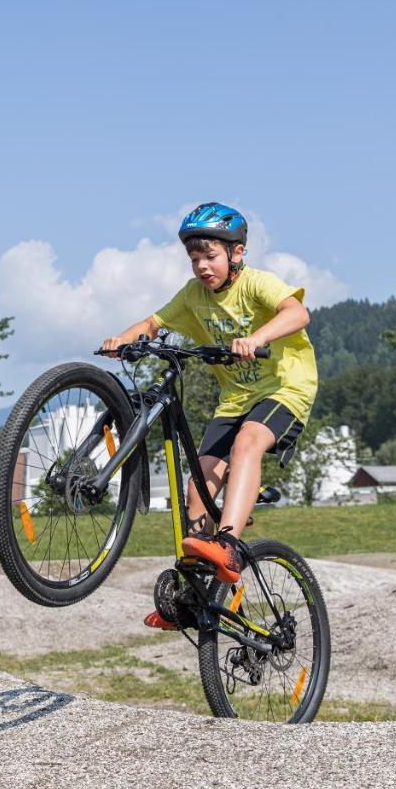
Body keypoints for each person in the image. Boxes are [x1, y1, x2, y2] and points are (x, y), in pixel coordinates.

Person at [100, 202, 317, 627]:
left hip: (285, 388)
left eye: (210, 256)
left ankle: (231, 545)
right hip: (235, 399)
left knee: (247, 444)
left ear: (236, 254)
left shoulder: (256, 283)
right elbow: (155, 321)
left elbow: (298, 312)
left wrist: (255, 338)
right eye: (194, 258)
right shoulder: (193, 296)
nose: (201, 266)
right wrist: (125, 338)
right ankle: (194, 598)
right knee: (196, 489)